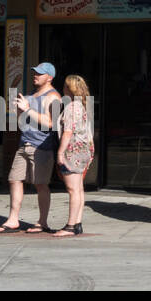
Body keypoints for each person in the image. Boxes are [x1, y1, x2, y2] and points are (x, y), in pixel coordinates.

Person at [0, 62, 62, 233]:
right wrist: (19, 109)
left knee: (41, 184)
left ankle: (42, 222)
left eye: (40, 73)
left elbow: (51, 123)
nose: (35, 75)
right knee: (14, 179)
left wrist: (28, 109)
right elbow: (23, 119)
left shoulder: (53, 96)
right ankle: (12, 219)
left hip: (42, 146)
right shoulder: (32, 94)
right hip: (24, 142)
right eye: (34, 73)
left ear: (49, 77)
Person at [53, 75, 95, 237]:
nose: (63, 88)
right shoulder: (81, 106)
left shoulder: (71, 108)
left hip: (72, 151)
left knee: (72, 190)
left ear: (69, 89)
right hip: (83, 150)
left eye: (65, 86)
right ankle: (77, 223)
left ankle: (70, 226)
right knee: (79, 189)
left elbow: (67, 132)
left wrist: (60, 152)